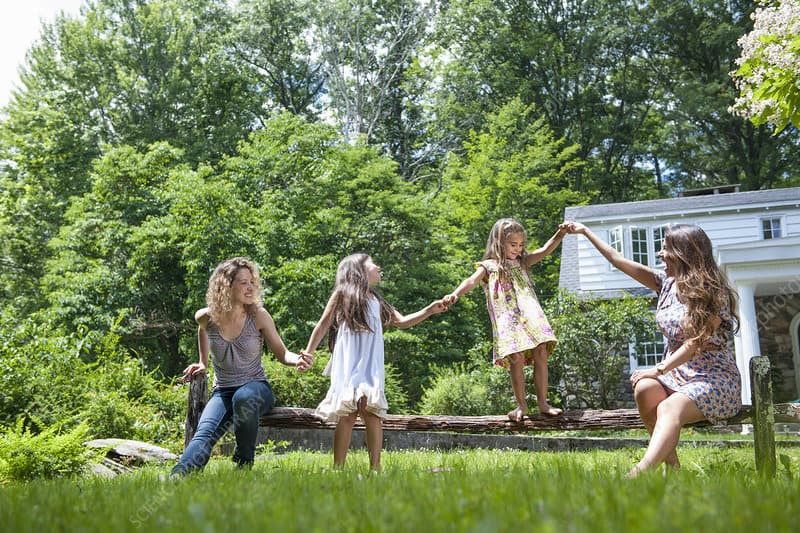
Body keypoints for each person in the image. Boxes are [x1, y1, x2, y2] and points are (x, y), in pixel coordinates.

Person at [564, 222, 740, 476]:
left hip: (714, 378)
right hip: (676, 375)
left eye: (666, 248)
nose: (660, 254)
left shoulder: (714, 293)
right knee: (645, 389)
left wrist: (658, 370)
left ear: (684, 254)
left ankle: (639, 472)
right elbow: (617, 260)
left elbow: (696, 342)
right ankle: (673, 469)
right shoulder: (666, 283)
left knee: (668, 407)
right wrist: (585, 232)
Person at [301, 253, 447, 471]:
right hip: (350, 361)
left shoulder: (376, 300)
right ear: (358, 271)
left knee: (371, 411)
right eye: (372, 264)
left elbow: (402, 321)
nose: (378, 266)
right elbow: (323, 325)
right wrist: (309, 353)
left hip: (370, 363)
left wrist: (429, 310)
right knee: (348, 413)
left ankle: (375, 468)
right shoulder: (343, 295)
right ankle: (337, 467)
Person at [172, 257, 312, 476]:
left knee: (244, 397)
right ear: (227, 286)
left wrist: (299, 360)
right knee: (204, 433)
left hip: (256, 388)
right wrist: (202, 362)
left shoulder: (259, 316)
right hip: (224, 392)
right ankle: (178, 476)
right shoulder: (206, 318)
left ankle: (243, 463)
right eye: (243, 282)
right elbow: (203, 331)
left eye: (251, 282)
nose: (250, 287)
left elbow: (283, 353)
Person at [443, 218, 567, 422]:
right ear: (499, 243)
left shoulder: (522, 262)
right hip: (507, 316)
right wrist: (454, 294)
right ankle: (521, 405)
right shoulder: (489, 266)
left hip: (530, 311)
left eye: (521, 245)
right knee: (516, 357)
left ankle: (543, 403)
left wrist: (559, 234)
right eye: (513, 244)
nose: (518, 249)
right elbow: (471, 281)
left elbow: (545, 249)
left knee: (541, 351)